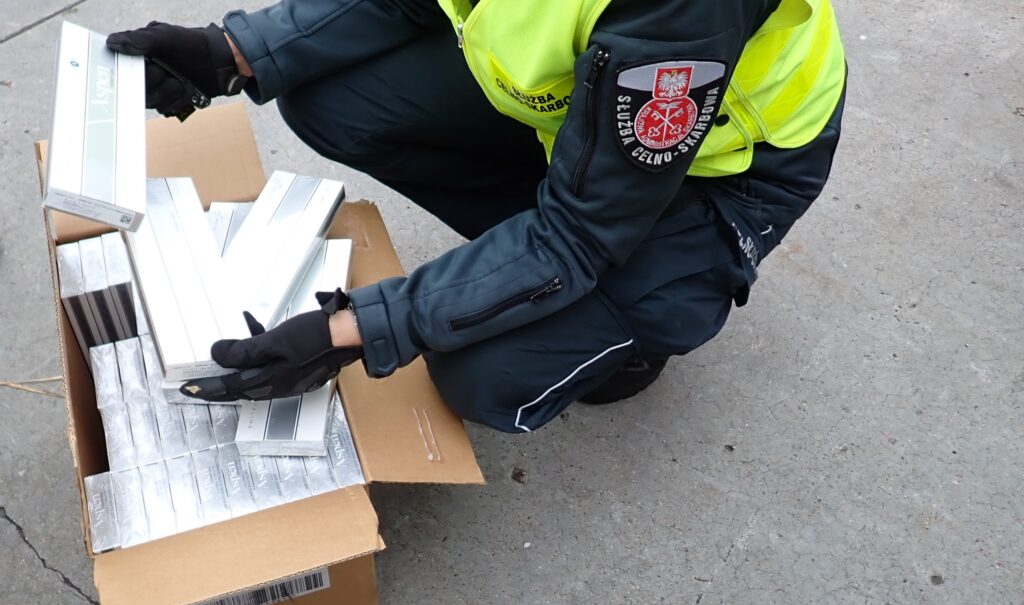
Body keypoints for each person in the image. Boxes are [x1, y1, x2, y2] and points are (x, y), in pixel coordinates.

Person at [109, 0, 846, 433]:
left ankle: (628, 327)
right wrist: (233, 52)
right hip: (582, 114)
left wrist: (355, 329)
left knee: (485, 371)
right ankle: (525, 267)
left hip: (723, 175)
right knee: (328, 92)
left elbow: (581, 232)